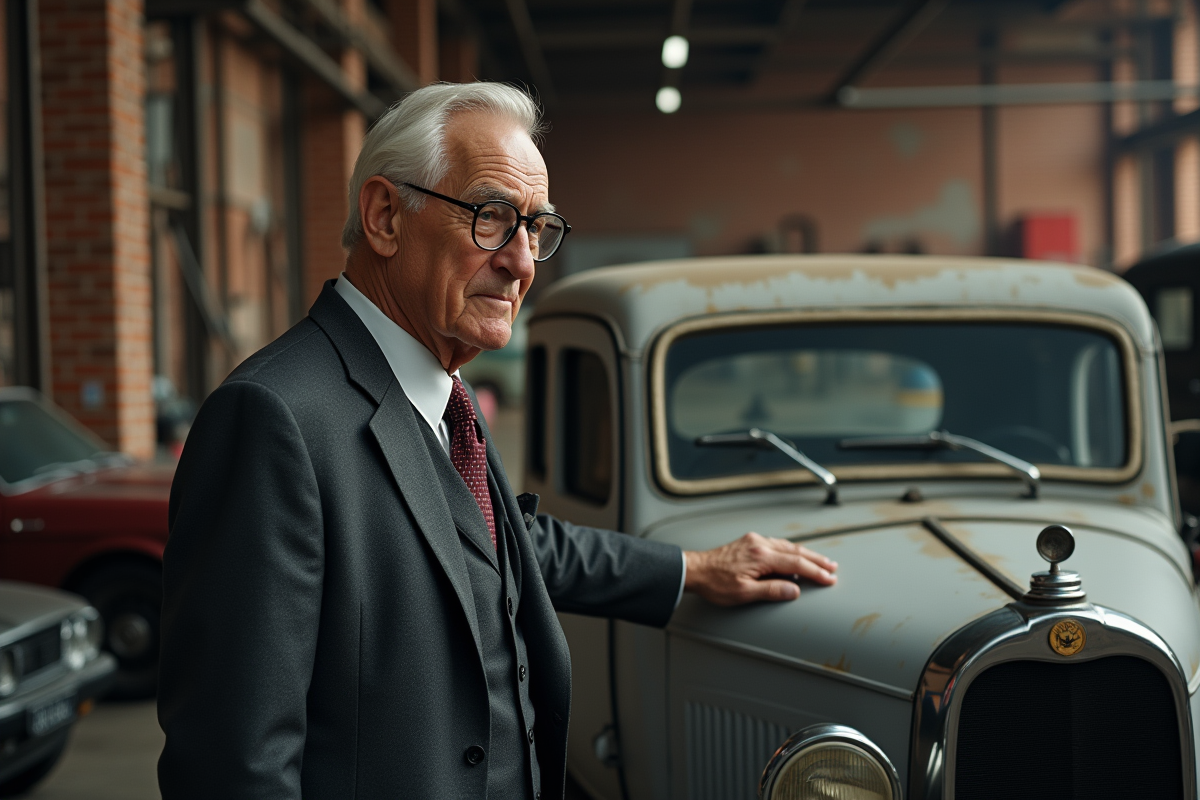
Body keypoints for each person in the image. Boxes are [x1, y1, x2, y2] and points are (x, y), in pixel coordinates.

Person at [157, 82, 837, 800]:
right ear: (385, 216)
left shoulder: (444, 390)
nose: (522, 262)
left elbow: (495, 545)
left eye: (536, 228)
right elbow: (232, 770)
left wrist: (692, 570)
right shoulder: (272, 420)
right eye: (491, 218)